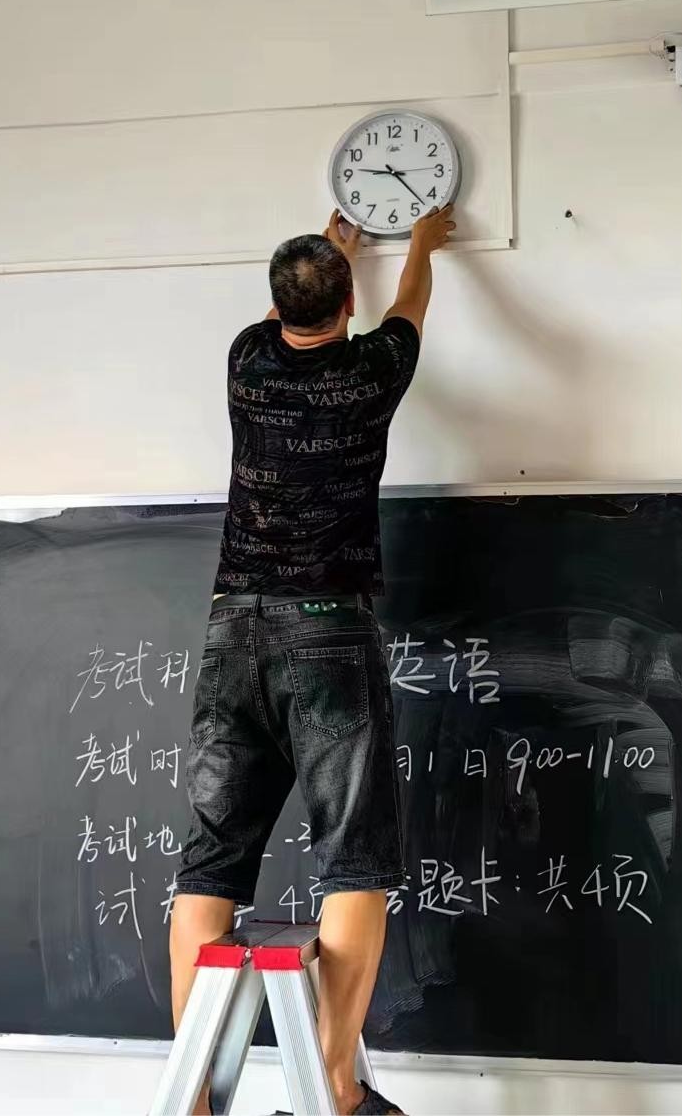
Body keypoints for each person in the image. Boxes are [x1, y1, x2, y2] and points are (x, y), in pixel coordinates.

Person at [169, 204, 455, 1116]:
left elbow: (291, 314)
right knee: (353, 856)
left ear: (275, 303)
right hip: (328, 630)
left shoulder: (246, 360)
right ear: (345, 307)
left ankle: (194, 1094)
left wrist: (333, 250)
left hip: (232, 627)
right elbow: (410, 305)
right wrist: (419, 244)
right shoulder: (373, 369)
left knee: (212, 859)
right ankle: (334, 1081)